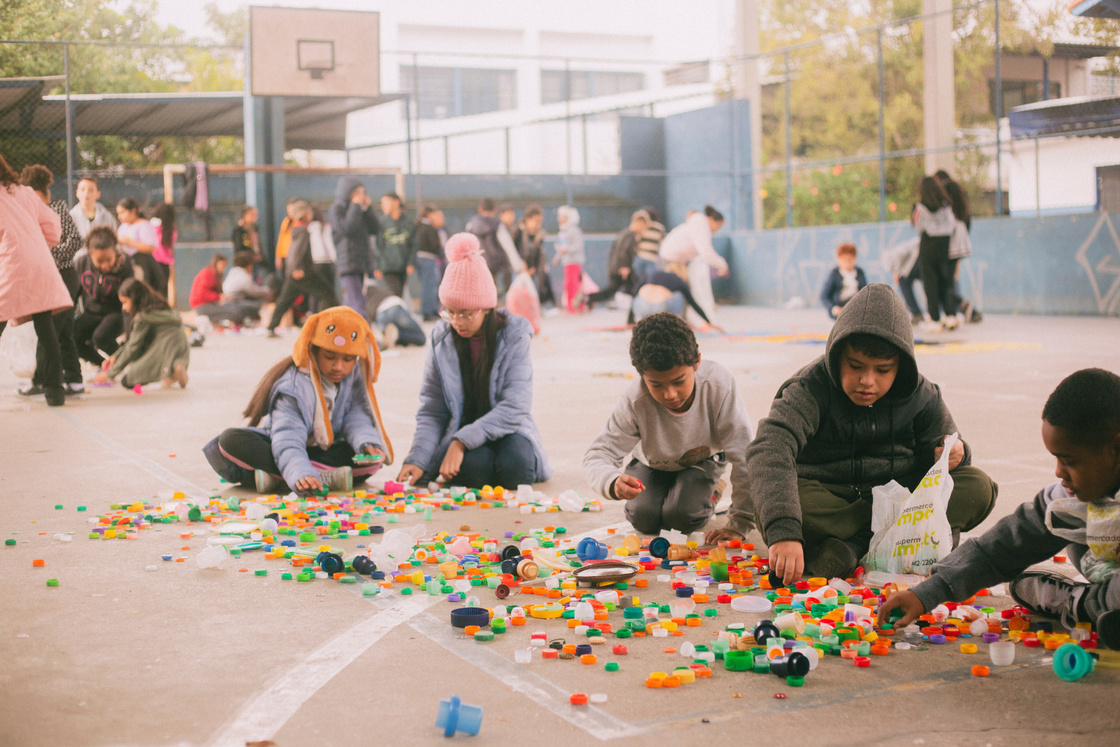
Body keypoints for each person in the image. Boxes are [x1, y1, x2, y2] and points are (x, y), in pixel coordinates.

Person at [709, 284, 999, 583]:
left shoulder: (921, 394)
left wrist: (952, 452)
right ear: (837, 355)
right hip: (832, 500)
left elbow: (949, 447)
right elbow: (769, 448)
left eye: (883, 370)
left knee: (978, 486)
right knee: (776, 499)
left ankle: (852, 548)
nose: (867, 381)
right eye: (855, 365)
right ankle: (898, 542)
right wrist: (783, 531)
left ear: (901, 365)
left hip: (897, 499)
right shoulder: (810, 388)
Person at [878, 368, 1120, 650]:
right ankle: (1097, 606)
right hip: (1109, 575)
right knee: (1069, 521)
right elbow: (1008, 543)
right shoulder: (1071, 498)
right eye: (1056, 459)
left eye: (1070, 461)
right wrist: (928, 592)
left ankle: (1076, 604)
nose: (1058, 472)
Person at [396, 233, 551, 489]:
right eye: (450, 312)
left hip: (506, 429)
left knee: (517, 469)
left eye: (466, 314)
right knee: (470, 474)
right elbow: (432, 410)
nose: (457, 322)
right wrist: (418, 458)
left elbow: (515, 405)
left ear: (487, 308)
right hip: (462, 429)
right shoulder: (441, 339)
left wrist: (460, 442)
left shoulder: (513, 335)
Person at [583, 312, 754, 536]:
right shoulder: (635, 400)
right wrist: (612, 481)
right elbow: (598, 454)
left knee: (682, 518)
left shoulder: (718, 385)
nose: (670, 394)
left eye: (679, 381)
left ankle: (713, 489)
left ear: (697, 362)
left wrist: (740, 523)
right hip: (654, 464)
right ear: (641, 375)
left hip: (702, 460)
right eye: (656, 385)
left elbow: (744, 455)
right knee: (643, 518)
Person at [203, 306, 393, 495]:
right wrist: (299, 472)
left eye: (348, 359)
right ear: (314, 349)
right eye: (329, 356)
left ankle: (279, 479)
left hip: (321, 452)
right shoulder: (293, 386)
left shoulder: (353, 377)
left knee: (372, 459)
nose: (338, 367)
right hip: (284, 447)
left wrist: (367, 442)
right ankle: (314, 477)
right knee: (229, 441)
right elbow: (287, 437)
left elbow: (356, 416)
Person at [0, 154, 69, 407]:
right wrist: (34, 241)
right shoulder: (26, 192)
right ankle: (54, 391)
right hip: (40, 264)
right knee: (46, 329)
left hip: (11, 265)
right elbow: (53, 227)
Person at [17, 165, 85, 396]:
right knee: (63, 333)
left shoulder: (56, 208)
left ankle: (41, 381)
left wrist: (46, 256)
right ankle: (75, 381)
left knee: (49, 332)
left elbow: (76, 240)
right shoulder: (26, 214)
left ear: (39, 193)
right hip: (47, 280)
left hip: (64, 278)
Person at [94, 278, 189, 390]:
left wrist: (109, 374)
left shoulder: (143, 317)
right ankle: (174, 369)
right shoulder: (160, 306)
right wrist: (115, 356)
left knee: (127, 381)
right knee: (165, 377)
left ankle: (171, 372)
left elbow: (133, 348)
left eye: (125, 302)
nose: (123, 307)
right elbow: (131, 343)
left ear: (135, 299)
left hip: (164, 349)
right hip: (181, 348)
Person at [268, 200, 340, 337]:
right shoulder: (303, 231)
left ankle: (271, 327)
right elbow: (297, 252)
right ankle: (327, 327)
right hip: (302, 273)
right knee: (326, 293)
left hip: (295, 273)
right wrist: (297, 269)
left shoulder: (296, 228)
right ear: (304, 215)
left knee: (285, 300)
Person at [73, 226, 133, 368]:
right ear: (90, 254)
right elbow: (73, 295)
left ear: (115, 251)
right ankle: (105, 366)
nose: (105, 265)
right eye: (99, 261)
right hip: (91, 313)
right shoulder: (81, 263)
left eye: (108, 259)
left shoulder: (125, 264)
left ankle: (127, 362)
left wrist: (130, 336)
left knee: (101, 337)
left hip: (116, 313)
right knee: (70, 336)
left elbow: (130, 300)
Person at [660, 206, 729, 327]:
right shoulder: (701, 224)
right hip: (672, 260)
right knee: (680, 291)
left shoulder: (698, 223)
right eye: (718, 226)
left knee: (684, 290)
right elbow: (705, 251)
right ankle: (675, 323)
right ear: (711, 220)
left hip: (675, 259)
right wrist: (722, 264)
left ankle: (682, 322)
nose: (716, 230)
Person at [912, 176, 958, 333]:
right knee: (946, 280)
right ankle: (950, 315)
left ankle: (934, 319)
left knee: (930, 283)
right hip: (944, 246)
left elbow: (918, 227)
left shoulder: (920, 207)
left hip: (928, 246)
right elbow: (952, 225)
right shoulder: (946, 206)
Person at [330, 177, 380, 316]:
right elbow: (347, 229)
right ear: (348, 192)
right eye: (358, 192)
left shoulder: (359, 210)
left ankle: (346, 330)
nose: (361, 196)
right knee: (358, 302)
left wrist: (368, 209)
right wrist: (355, 206)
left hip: (361, 261)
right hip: (348, 262)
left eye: (363, 193)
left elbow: (375, 228)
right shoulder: (337, 209)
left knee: (350, 302)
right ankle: (365, 335)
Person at [587, 210, 649, 308]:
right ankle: (588, 298)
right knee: (634, 289)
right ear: (640, 223)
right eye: (645, 226)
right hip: (622, 269)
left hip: (616, 267)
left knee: (612, 291)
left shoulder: (624, 233)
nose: (644, 230)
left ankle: (589, 298)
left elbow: (615, 251)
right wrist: (624, 266)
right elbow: (624, 251)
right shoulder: (630, 235)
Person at [630, 269, 720, 332]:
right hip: (659, 306)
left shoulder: (653, 273)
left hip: (640, 306)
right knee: (679, 295)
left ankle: (639, 320)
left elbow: (634, 291)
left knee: (641, 292)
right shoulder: (679, 281)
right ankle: (674, 324)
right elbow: (693, 304)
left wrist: (629, 319)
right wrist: (708, 322)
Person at [116, 198, 168, 297]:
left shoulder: (144, 225)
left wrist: (128, 242)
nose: (120, 216)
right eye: (118, 213)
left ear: (133, 211)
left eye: (122, 212)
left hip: (142, 264)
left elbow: (150, 247)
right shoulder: (123, 227)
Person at [374, 192, 416, 298]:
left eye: (386, 202)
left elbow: (414, 244)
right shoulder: (382, 222)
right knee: (395, 292)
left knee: (399, 293)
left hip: (403, 266)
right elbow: (378, 245)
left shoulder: (408, 222)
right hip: (388, 267)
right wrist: (377, 266)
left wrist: (411, 262)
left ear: (396, 202)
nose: (383, 206)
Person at [511, 204, 553, 308]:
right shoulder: (517, 232)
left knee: (532, 294)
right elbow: (512, 251)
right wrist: (520, 263)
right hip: (518, 270)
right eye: (536, 221)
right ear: (527, 219)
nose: (538, 224)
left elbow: (538, 254)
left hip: (531, 271)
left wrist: (534, 267)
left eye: (540, 221)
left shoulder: (539, 235)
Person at [465, 198, 509, 294]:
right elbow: (508, 246)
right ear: (495, 210)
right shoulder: (497, 224)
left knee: (477, 293)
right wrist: (518, 267)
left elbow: (466, 244)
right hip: (493, 265)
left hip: (475, 264)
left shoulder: (471, 224)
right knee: (492, 293)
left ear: (480, 209)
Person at [364, 281, 426, 348]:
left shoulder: (358, 297)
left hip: (380, 314)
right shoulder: (374, 287)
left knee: (385, 337)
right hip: (394, 305)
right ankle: (399, 334)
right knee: (421, 338)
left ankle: (395, 337)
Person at [190, 254, 247, 326]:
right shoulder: (207, 273)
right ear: (216, 263)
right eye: (222, 265)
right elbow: (202, 293)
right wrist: (218, 297)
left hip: (210, 305)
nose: (224, 268)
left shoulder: (216, 275)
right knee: (233, 313)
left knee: (234, 308)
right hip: (201, 306)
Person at [820, 242, 867, 320]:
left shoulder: (859, 272)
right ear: (838, 259)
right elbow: (824, 296)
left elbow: (865, 291)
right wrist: (834, 308)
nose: (847, 262)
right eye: (844, 259)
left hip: (856, 306)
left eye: (850, 259)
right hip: (841, 307)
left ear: (855, 259)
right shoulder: (834, 274)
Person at [414, 204, 446, 321]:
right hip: (428, 259)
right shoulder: (428, 227)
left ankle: (431, 309)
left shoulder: (419, 226)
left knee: (428, 285)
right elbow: (435, 245)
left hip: (421, 258)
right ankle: (427, 311)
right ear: (429, 214)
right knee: (429, 286)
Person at [222, 250, 271, 322]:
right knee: (260, 304)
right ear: (249, 264)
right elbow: (254, 292)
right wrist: (268, 290)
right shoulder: (242, 276)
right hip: (234, 304)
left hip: (231, 302)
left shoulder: (233, 271)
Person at [553, 205, 585, 313]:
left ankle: (575, 306)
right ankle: (571, 306)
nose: (559, 219)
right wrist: (558, 257)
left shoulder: (574, 231)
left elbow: (577, 246)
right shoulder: (564, 231)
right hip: (567, 262)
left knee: (573, 284)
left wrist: (566, 250)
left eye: (562, 216)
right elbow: (562, 247)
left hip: (574, 262)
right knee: (568, 285)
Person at [307, 206, 338, 313]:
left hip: (313, 263)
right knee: (329, 291)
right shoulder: (325, 227)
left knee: (315, 292)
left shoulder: (308, 228)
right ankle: (327, 313)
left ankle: (313, 314)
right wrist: (336, 262)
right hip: (326, 263)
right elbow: (330, 246)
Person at [69, 176, 117, 241]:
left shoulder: (107, 216)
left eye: (91, 190)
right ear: (77, 193)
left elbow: (113, 240)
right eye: (83, 189)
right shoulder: (70, 217)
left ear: (98, 194)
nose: (86, 193)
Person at [633, 206, 665, 284]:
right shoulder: (660, 228)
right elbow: (662, 242)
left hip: (641, 255)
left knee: (636, 279)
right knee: (650, 280)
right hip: (652, 257)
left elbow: (636, 240)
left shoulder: (642, 226)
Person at [150, 202, 176, 295]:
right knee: (162, 292)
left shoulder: (152, 227)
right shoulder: (171, 231)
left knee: (152, 290)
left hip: (153, 263)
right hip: (164, 265)